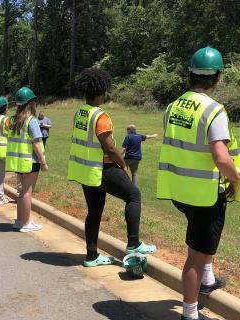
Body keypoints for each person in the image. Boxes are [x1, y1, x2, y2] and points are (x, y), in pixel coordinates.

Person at [156, 46, 240, 320]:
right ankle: (190, 313)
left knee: (202, 241)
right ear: (217, 77)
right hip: (204, 193)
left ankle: (207, 278)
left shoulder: (173, 106)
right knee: (194, 253)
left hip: (180, 189)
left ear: (190, 74)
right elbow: (221, 157)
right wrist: (237, 180)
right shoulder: (214, 110)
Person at [67, 68, 156, 267]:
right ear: (101, 91)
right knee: (133, 195)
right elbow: (109, 147)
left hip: (87, 170)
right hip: (104, 168)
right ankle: (133, 244)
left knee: (94, 211)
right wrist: (122, 164)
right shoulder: (101, 116)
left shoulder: (80, 112)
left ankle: (91, 256)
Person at [6, 87, 48, 232]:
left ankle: (20, 221)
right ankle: (26, 223)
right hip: (31, 161)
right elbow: (36, 143)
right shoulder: (32, 121)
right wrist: (43, 162)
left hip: (19, 161)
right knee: (27, 192)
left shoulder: (13, 120)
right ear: (31, 103)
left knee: (22, 191)